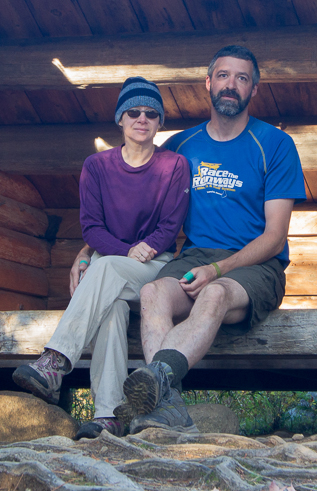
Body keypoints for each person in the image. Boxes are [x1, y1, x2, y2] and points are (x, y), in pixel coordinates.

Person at [113, 45, 306, 434]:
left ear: (254, 89)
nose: (230, 85)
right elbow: (136, 210)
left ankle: (157, 380)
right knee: (151, 293)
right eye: (223, 75)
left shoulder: (275, 145)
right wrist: (88, 250)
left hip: (255, 265)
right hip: (195, 256)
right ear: (208, 83)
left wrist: (218, 269)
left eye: (241, 78)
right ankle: (167, 405)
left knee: (215, 293)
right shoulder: (182, 147)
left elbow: (274, 236)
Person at [12, 77, 190, 439]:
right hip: (114, 262)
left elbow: (171, 227)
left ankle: (55, 362)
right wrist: (124, 250)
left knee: (103, 267)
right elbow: (91, 228)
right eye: (133, 111)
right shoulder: (96, 167)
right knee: (111, 309)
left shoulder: (174, 166)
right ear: (120, 120)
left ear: (160, 123)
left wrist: (144, 249)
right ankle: (109, 414)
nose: (142, 118)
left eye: (151, 113)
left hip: (155, 267)